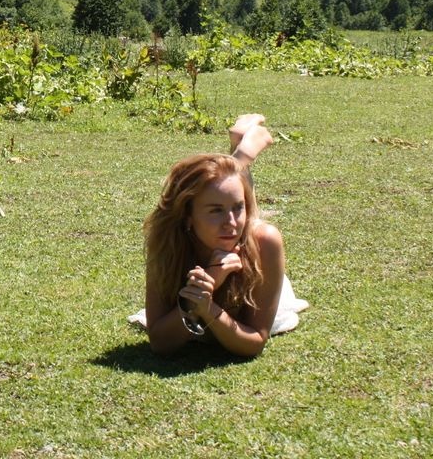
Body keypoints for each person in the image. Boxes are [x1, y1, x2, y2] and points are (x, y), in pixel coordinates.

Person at [131, 113, 307, 357]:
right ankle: (241, 152)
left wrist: (208, 308)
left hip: (257, 260)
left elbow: (254, 342)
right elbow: (160, 343)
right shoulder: (168, 240)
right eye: (215, 211)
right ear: (188, 215)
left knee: (248, 222)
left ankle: (242, 154)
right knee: (229, 189)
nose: (231, 223)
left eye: (238, 208)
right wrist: (210, 283)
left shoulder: (265, 241)